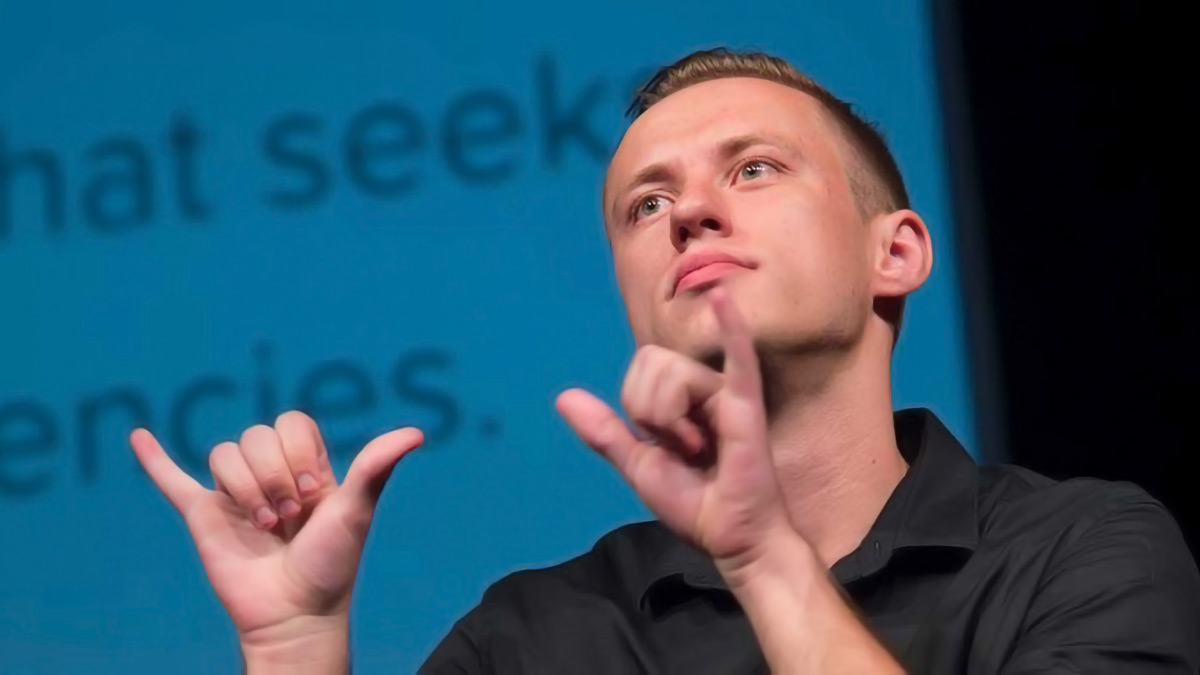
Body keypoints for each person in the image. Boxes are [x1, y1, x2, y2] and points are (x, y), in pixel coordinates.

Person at [129, 48, 1200, 674]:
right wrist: (298, 647)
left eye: (756, 168)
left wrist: (767, 559)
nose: (689, 210)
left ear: (898, 253)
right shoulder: (540, 636)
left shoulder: (1082, 553)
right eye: (647, 203)